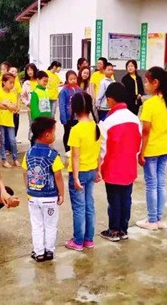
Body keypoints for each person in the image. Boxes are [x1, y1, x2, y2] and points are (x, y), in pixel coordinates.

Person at [99, 82, 142, 242]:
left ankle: (114, 230)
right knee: (126, 198)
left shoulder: (108, 121)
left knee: (114, 199)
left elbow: (103, 148)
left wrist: (100, 167)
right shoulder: (134, 118)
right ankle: (123, 229)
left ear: (110, 99)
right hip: (129, 166)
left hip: (112, 167)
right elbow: (139, 143)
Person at [135, 67, 167, 230]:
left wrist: (141, 152)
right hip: (165, 148)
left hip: (151, 149)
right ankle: (158, 219)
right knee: (160, 184)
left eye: (147, 81)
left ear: (156, 83)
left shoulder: (150, 104)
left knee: (151, 184)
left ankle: (151, 220)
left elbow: (145, 131)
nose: (145, 84)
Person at [22, 117, 65, 262]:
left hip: (33, 196)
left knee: (37, 225)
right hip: (50, 197)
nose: (55, 135)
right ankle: (49, 251)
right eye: (54, 132)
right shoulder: (53, 155)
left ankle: (39, 252)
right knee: (51, 225)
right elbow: (58, 177)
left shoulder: (28, 153)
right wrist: (61, 194)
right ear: (47, 135)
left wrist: (28, 189)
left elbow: (25, 173)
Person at [64, 92, 101, 252]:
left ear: (74, 108)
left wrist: (75, 177)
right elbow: (99, 152)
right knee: (89, 206)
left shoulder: (76, 129)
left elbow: (75, 156)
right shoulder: (95, 126)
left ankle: (78, 241)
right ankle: (88, 239)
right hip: (91, 171)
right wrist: (98, 170)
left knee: (79, 208)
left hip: (79, 174)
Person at [0, 73, 19, 168]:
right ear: (4, 82)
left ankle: (15, 158)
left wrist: (5, 104)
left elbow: (14, 108)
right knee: (2, 140)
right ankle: (4, 160)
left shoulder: (13, 94)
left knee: (12, 140)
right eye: (10, 82)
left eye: (13, 83)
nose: (12, 85)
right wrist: (8, 106)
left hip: (9, 120)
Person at [59, 70, 82, 154]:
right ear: (67, 80)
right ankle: (67, 149)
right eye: (71, 79)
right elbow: (62, 105)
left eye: (74, 79)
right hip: (68, 116)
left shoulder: (79, 89)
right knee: (68, 133)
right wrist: (63, 118)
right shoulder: (64, 91)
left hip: (77, 116)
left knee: (76, 133)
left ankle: (75, 149)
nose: (73, 80)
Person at [21, 63, 39, 144]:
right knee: (32, 125)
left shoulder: (39, 81)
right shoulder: (26, 83)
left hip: (40, 108)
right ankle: (32, 142)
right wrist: (27, 103)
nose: (30, 72)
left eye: (31, 70)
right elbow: (22, 96)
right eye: (28, 70)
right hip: (31, 108)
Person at [8, 66, 22, 139]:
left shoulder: (17, 83)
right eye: (12, 71)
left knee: (16, 123)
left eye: (16, 72)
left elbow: (19, 96)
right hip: (7, 108)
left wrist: (18, 106)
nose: (14, 73)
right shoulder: (4, 82)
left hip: (15, 107)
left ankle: (14, 137)